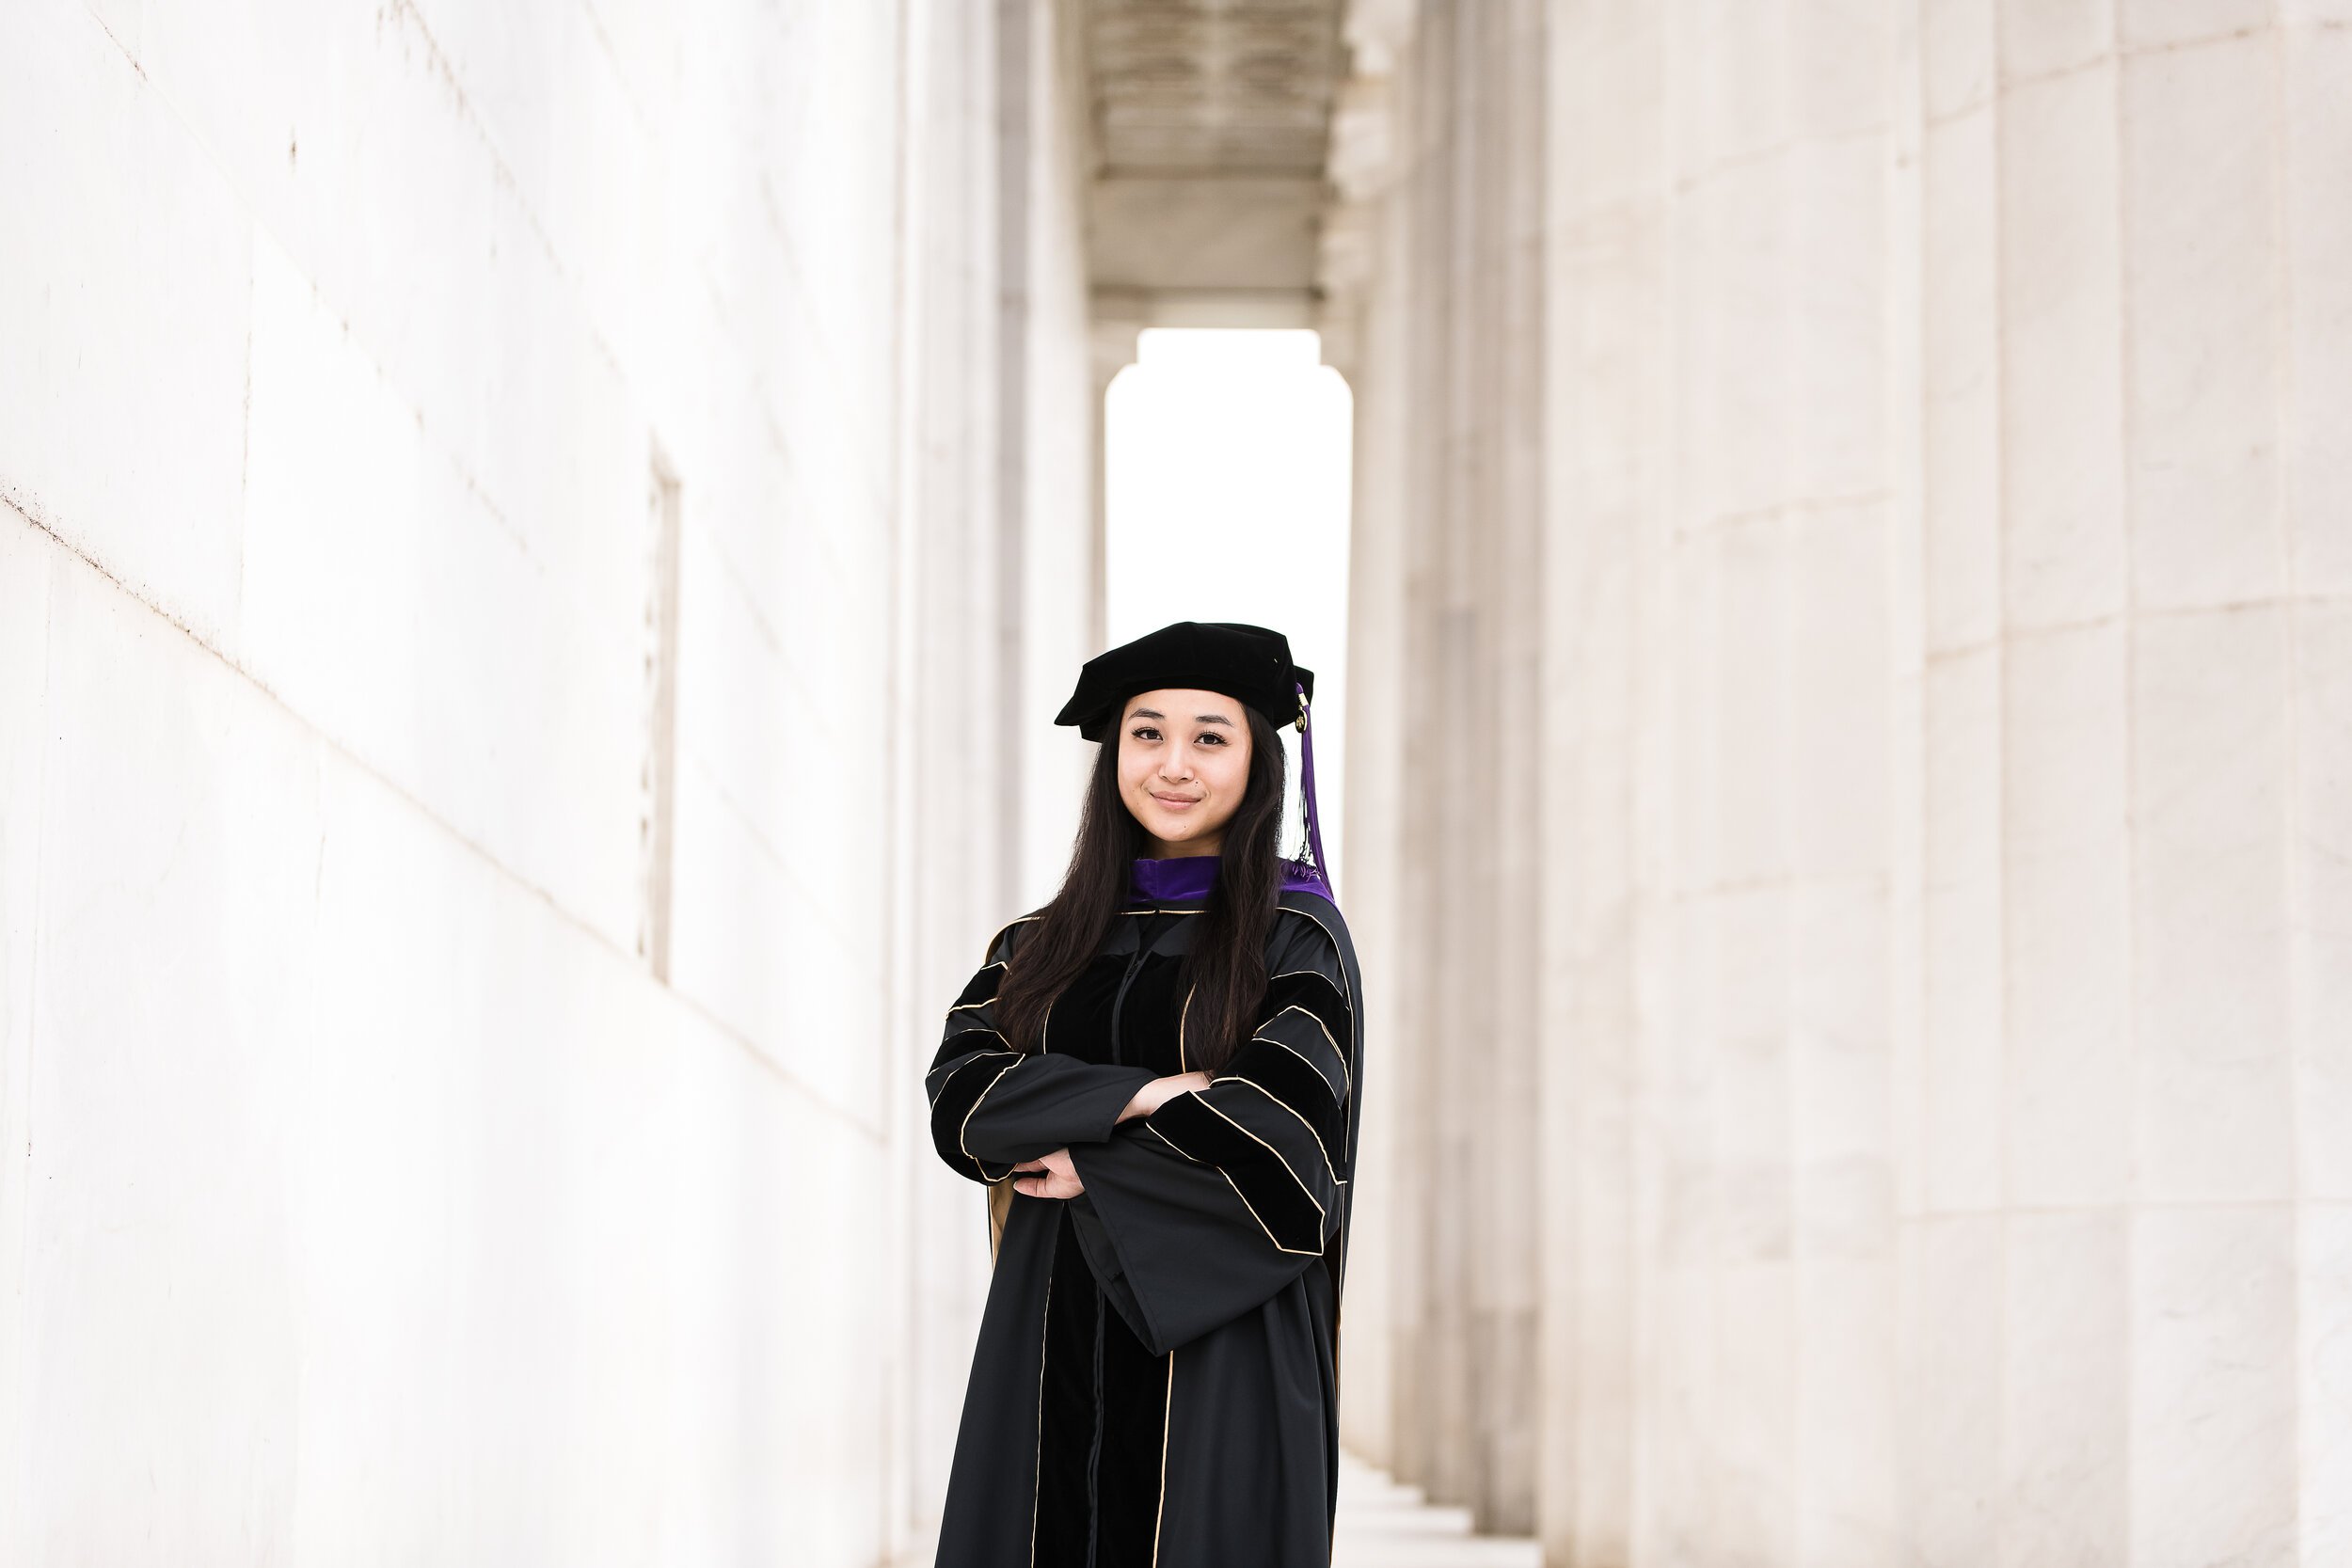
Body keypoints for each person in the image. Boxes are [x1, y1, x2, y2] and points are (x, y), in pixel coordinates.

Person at [924, 620, 1363, 1568]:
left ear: (1257, 759)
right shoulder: (1036, 945)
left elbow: (1285, 1140)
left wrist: (1080, 1149)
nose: (1173, 763)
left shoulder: (1292, 940)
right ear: (1112, 753)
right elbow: (964, 1103)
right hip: (1045, 1329)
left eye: (1209, 736)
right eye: (1146, 732)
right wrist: (1154, 1095)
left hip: (1222, 1342)